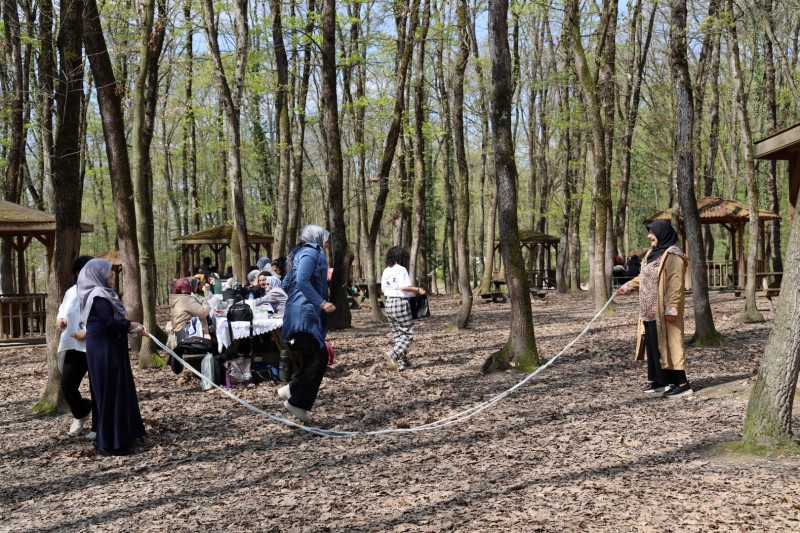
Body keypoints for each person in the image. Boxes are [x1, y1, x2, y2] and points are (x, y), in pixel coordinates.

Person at [77, 258, 148, 456]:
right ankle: (111, 443)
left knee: (116, 390)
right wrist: (131, 325)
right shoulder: (98, 296)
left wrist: (133, 328)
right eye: (108, 271)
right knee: (111, 391)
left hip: (109, 346)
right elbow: (107, 323)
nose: (111, 274)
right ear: (97, 273)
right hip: (104, 349)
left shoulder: (102, 294)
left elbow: (111, 322)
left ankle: (120, 436)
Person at [617, 220, 692, 398]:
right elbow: (644, 277)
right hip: (648, 309)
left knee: (670, 344)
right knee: (653, 346)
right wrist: (629, 286)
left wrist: (672, 306)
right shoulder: (652, 253)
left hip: (664, 309)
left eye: (652, 232)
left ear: (662, 233)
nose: (649, 236)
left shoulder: (673, 255)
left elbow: (675, 283)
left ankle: (682, 383)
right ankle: (660, 381)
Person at [277, 225, 336, 422]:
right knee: (319, 358)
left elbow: (286, 284)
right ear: (317, 237)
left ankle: (292, 390)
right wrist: (321, 302)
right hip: (304, 315)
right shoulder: (311, 252)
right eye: (325, 239)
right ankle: (297, 403)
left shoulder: (300, 253)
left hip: (300, 313)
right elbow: (302, 280)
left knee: (315, 356)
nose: (327, 244)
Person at [57, 255, 96, 439]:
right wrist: (61, 319)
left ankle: (98, 426)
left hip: (95, 346)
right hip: (73, 345)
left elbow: (103, 317)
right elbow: (63, 309)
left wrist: (88, 331)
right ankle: (81, 412)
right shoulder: (71, 291)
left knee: (97, 388)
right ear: (79, 272)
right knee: (67, 385)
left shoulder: (98, 291)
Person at [381, 246, 425, 371]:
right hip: (400, 303)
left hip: (389, 304)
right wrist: (418, 289)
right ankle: (393, 354)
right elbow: (403, 287)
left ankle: (403, 362)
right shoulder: (401, 269)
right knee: (407, 334)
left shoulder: (386, 271)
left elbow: (383, 290)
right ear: (401, 257)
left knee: (398, 335)